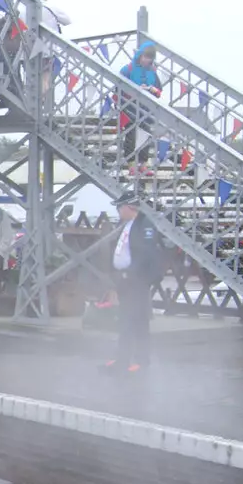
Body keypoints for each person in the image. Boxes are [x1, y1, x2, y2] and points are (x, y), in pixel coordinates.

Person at [104, 191, 163, 376]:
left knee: (136, 321)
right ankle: (122, 357)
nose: (118, 211)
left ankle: (140, 360)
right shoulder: (127, 225)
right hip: (125, 279)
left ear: (129, 207)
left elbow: (146, 253)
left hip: (137, 280)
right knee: (125, 320)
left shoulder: (145, 224)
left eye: (119, 207)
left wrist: (131, 274)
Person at [118, 40, 163, 176]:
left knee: (146, 135)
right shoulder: (127, 69)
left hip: (146, 108)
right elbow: (118, 89)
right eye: (145, 57)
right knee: (131, 135)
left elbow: (159, 90)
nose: (146, 60)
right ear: (139, 55)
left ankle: (143, 163)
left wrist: (152, 90)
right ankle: (131, 163)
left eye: (149, 58)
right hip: (130, 107)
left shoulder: (153, 72)